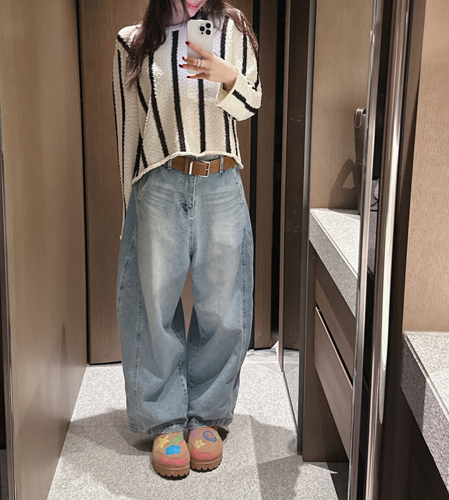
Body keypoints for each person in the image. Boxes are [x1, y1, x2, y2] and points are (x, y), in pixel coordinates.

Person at [113, 0, 262, 478]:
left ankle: (207, 415)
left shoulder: (233, 27)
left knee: (223, 305)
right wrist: (127, 206)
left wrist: (227, 76)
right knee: (154, 305)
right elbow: (128, 130)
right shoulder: (132, 41)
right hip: (159, 182)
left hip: (221, 180)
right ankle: (164, 419)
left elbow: (251, 106)